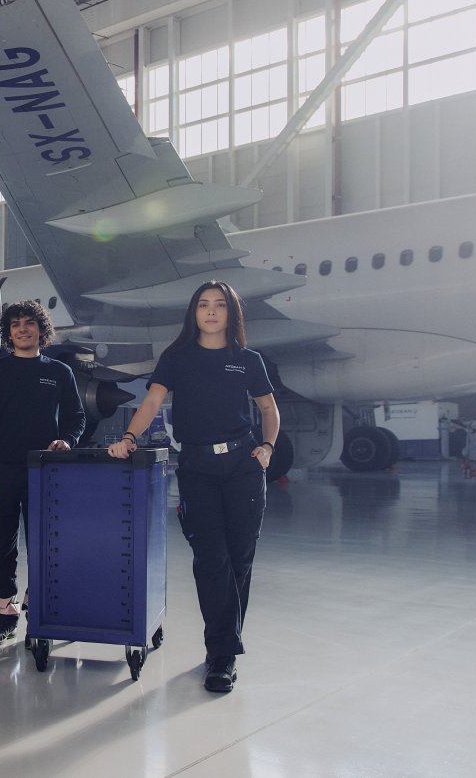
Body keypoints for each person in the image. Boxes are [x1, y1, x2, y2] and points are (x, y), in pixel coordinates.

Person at [108, 281, 279, 694]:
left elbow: (268, 409)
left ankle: (222, 650)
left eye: (220, 305)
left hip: (242, 465)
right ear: (194, 313)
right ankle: (222, 655)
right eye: (203, 305)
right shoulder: (177, 357)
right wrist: (129, 437)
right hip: (198, 466)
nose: (211, 311)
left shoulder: (248, 360)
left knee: (239, 560)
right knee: (211, 559)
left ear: (231, 313)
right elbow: (152, 402)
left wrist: (268, 447)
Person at [0, 300, 84, 647]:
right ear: (8, 332)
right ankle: (4, 617)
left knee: (45, 547)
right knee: (2, 550)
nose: (22, 329)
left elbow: (77, 417)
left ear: (41, 329)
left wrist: (67, 439)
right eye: (16, 324)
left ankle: (42, 614)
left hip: (45, 473)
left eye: (29, 323)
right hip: (1, 473)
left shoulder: (59, 372)